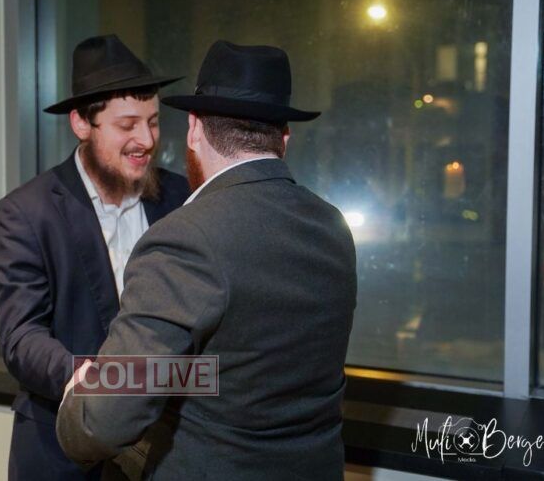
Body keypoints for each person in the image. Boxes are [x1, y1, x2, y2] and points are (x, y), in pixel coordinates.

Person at [56, 40, 357, 480]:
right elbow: (246, 369)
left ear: (194, 129)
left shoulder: (186, 236)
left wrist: (79, 399)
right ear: (285, 138)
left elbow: (101, 421)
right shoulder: (333, 227)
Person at [0, 34, 189, 480]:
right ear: (81, 123)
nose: (146, 140)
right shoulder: (26, 212)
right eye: (127, 125)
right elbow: (21, 338)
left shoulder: (181, 197)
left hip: (166, 451)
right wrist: (103, 381)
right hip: (63, 448)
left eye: (153, 122)